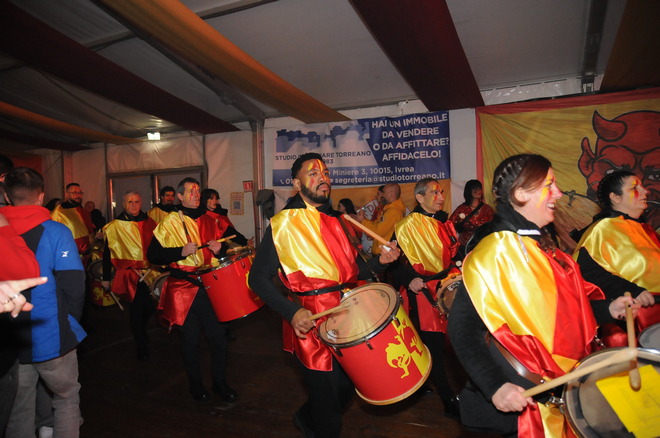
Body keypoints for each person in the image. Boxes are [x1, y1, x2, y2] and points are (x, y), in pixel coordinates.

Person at [447, 154, 637, 437]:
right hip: (513, 412)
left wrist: (608, 309)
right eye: (549, 185)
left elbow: (564, 316)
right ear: (520, 193)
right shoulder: (496, 251)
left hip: (556, 396)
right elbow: (462, 329)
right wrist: (495, 386)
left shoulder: (543, 247)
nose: (558, 193)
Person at [248, 153, 400, 438]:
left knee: (347, 388)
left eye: (326, 173)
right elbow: (257, 279)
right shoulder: (283, 224)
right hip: (312, 322)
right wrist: (292, 312)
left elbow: (353, 271)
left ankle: (306, 417)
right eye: (313, 173)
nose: (323, 178)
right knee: (328, 405)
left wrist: (381, 262)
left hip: (348, 317)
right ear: (297, 184)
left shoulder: (338, 220)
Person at [2, 167, 86, 438]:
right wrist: (70, 323)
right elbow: (74, 285)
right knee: (67, 397)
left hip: (12, 338)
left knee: (19, 408)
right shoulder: (57, 231)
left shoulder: (3, 232)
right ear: (41, 196)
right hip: (52, 333)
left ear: (7, 196)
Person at [147, 178, 237, 403]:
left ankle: (220, 383)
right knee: (190, 341)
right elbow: (153, 256)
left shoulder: (210, 220)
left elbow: (222, 252)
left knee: (219, 339)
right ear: (180, 196)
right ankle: (196, 385)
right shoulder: (169, 222)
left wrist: (220, 249)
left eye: (198, 191)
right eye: (191, 191)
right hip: (183, 290)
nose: (196, 194)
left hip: (210, 287)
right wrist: (179, 252)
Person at [391, 178, 460, 417]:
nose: (440, 197)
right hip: (422, 295)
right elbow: (392, 263)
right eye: (434, 193)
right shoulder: (405, 226)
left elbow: (454, 255)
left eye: (441, 192)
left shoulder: (445, 223)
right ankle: (448, 399)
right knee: (433, 347)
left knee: (455, 342)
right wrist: (409, 278)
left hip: (448, 290)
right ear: (420, 198)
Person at [573, 170, 658, 333]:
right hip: (631, 320)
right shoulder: (602, 228)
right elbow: (586, 272)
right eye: (634, 188)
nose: (645, 191)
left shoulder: (646, 230)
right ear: (615, 197)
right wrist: (632, 291)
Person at [101, 191, 158, 360]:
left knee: (149, 308)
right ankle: (141, 343)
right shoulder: (114, 226)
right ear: (123, 204)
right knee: (136, 310)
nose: (133, 205)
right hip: (129, 275)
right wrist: (106, 278)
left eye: (137, 201)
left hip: (150, 274)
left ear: (141, 203)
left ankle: (141, 333)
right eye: (130, 202)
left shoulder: (150, 223)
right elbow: (107, 254)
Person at [449, 179, 494, 260]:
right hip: (464, 247)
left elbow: (494, 227)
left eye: (479, 188)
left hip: (482, 246)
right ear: (469, 191)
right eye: (475, 188)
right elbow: (449, 225)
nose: (478, 191)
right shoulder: (461, 209)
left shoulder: (487, 209)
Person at [51, 183, 95, 266]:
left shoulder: (84, 211)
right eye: (74, 193)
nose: (78, 195)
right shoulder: (59, 212)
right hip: (69, 257)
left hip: (87, 256)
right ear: (67, 194)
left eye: (80, 193)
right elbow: (54, 235)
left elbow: (90, 233)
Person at [356, 183, 406, 256]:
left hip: (385, 254)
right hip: (383, 252)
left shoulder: (393, 212)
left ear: (391, 194)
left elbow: (378, 232)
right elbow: (376, 225)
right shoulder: (389, 210)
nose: (382, 195)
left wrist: (363, 221)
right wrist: (363, 219)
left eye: (384, 192)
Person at [358, 186, 384, 254]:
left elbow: (377, 229)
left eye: (378, 194)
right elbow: (373, 223)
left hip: (382, 247)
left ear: (384, 194)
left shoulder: (388, 210)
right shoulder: (378, 208)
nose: (376, 196)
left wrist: (363, 220)